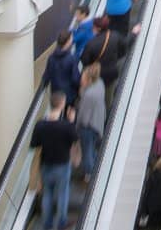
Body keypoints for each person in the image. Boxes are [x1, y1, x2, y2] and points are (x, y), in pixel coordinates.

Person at [29, 91, 78, 230]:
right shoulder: (66, 126)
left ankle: (47, 225)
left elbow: (34, 144)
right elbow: (75, 139)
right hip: (62, 165)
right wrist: (71, 121)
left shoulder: (40, 125)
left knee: (47, 194)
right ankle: (62, 223)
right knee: (63, 194)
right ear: (62, 104)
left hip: (45, 165)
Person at [81, 20, 140, 109]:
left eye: (93, 27)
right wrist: (133, 33)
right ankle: (106, 111)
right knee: (108, 96)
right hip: (111, 73)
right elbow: (125, 44)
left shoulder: (91, 44)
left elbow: (85, 61)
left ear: (98, 29)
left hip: (96, 75)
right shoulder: (114, 36)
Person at [76, 63, 105, 183]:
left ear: (89, 79)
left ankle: (89, 175)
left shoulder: (89, 95)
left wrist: (76, 127)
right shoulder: (100, 83)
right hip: (98, 121)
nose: (80, 79)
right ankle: (95, 168)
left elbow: (83, 116)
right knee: (91, 148)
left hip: (88, 127)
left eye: (82, 78)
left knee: (86, 152)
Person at [41, 31, 80, 109]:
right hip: (69, 95)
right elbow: (75, 79)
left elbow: (46, 76)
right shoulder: (71, 59)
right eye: (71, 38)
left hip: (55, 94)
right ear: (68, 42)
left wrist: (44, 85)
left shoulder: (51, 57)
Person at [141, 156, 161, 229]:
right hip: (160, 207)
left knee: (149, 225)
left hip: (150, 205)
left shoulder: (152, 175)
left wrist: (143, 208)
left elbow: (147, 192)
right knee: (158, 225)